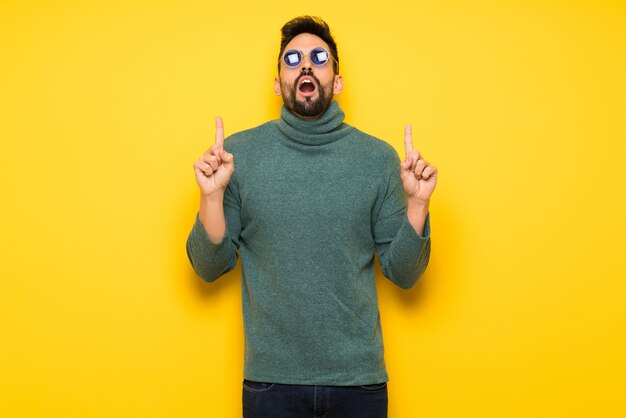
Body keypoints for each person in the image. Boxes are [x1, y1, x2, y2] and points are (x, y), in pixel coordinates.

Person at [186, 15, 437, 418]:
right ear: (277, 83)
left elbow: (405, 274)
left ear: (337, 81)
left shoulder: (377, 159)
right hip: (271, 384)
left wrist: (418, 205)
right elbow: (208, 267)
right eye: (293, 59)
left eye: (319, 58)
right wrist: (211, 197)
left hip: (359, 383)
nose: (306, 65)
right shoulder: (238, 157)